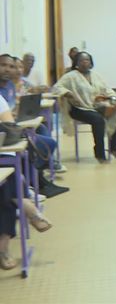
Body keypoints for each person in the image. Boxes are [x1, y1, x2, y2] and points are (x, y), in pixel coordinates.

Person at [0, 96, 52, 271]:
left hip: (2, 152)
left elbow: (8, 127)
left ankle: (4, 247)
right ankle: (25, 203)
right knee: (7, 184)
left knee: (5, 183)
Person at [53, 51, 116, 163]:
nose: (85, 62)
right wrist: (67, 93)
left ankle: (115, 149)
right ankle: (100, 154)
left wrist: (113, 98)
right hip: (79, 108)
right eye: (82, 60)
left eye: (87, 60)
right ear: (76, 62)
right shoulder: (70, 76)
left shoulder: (96, 76)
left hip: (96, 106)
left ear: (91, 63)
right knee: (98, 120)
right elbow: (56, 88)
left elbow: (107, 89)